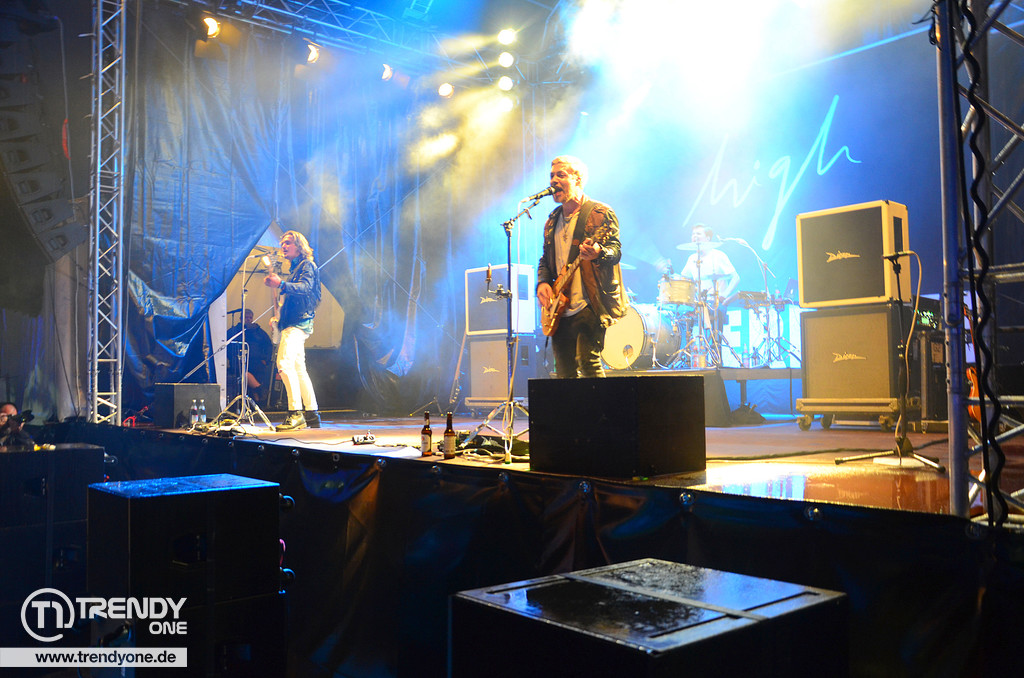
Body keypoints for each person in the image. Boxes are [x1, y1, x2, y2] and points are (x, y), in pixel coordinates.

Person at [536, 155, 628, 378]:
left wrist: (598, 253)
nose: (553, 180)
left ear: (578, 179)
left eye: (561, 175)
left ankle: (601, 403)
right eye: (551, 175)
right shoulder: (552, 220)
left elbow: (615, 251)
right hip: (560, 307)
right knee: (564, 371)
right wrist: (542, 283)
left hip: (590, 301)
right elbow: (545, 260)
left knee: (588, 363)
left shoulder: (599, 213)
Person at [264, 230, 321, 431]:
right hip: (294, 322)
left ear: (299, 246)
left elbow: (305, 288)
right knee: (298, 368)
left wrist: (281, 284)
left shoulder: (307, 265)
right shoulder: (296, 269)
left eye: (288, 243)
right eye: (283, 243)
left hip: (298, 323)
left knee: (284, 363)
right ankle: (312, 413)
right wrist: (278, 321)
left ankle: (295, 413)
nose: (284, 246)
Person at [680, 224, 740, 304]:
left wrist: (724, 295)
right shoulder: (692, 258)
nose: (695, 236)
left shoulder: (718, 255)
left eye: (698, 234)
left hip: (716, 304)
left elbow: (736, 277)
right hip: (700, 303)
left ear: (708, 238)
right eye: (693, 234)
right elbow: (684, 278)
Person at [227, 308, 274, 404]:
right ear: (241, 318)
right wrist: (231, 358)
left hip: (257, 362)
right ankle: (260, 389)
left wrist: (266, 359)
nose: (248, 319)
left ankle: (257, 400)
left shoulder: (259, 331)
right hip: (239, 361)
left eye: (250, 317)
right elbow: (227, 346)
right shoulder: (234, 331)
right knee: (245, 373)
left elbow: (269, 345)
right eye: (246, 317)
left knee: (257, 374)